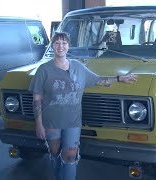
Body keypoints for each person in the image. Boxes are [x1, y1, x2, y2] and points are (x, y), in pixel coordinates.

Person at [28, 32, 137, 180]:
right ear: (52, 46)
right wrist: (38, 124)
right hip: (51, 121)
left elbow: (99, 80)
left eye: (64, 43)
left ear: (68, 46)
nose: (61, 46)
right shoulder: (44, 70)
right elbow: (37, 97)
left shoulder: (78, 67)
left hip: (73, 121)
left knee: (70, 155)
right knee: (54, 152)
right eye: (57, 43)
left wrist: (119, 78)